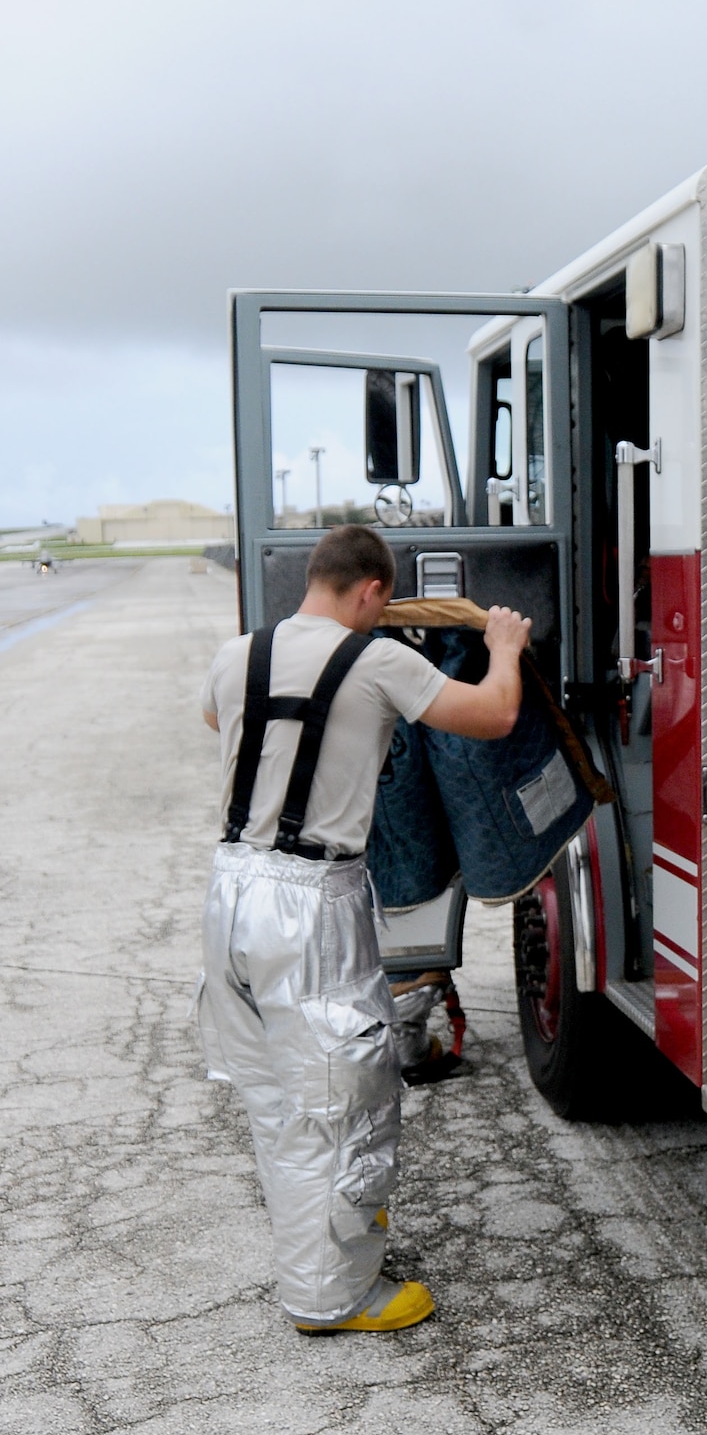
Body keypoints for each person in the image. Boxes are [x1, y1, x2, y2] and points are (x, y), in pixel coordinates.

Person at [196, 525, 530, 1334]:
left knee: (280, 1102)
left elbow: (219, 725)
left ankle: (312, 1268)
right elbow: (492, 715)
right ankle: (333, 1299)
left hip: (232, 888)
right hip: (313, 900)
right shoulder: (379, 659)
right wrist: (504, 644)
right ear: (372, 591)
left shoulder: (239, 653)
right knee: (348, 1104)